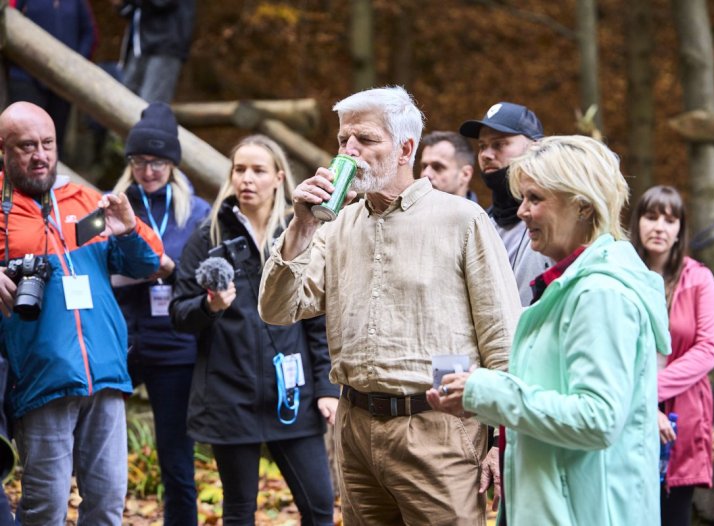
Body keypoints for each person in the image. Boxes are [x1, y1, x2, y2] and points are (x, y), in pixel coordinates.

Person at [259, 86, 520, 525]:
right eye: (344, 140)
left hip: (438, 430)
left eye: (365, 139)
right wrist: (301, 225)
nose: (350, 150)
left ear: (405, 148)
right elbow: (277, 310)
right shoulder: (336, 224)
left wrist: (503, 441)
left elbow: (502, 338)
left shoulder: (462, 219)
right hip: (356, 426)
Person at [427, 135, 671, 526]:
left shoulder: (600, 294)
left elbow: (597, 419)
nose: (521, 212)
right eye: (523, 198)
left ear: (582, 207)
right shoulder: (567, 286)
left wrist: (486, 391)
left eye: (535, 199)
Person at [0, 102, 163, 524]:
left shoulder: (84, 198)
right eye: (26, 146)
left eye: (47, 143)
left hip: (105, 374)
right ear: (3, 151)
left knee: (108, 504)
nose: (40, 154)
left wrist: (129, 230)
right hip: (41, 379)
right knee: (45, 508)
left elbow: (147, 264)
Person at [170, 134, 337, 525]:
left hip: (292, 394)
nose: (246, 178)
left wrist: (327, 388)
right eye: (239, 169)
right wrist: (208, 306)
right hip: (231, 396)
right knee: (239, 510)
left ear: (279, 178)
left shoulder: (299, 235)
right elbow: (179, 313)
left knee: (320, 505)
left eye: (257, 170)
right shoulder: (208, 235)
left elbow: (316, 318)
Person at [112, 102, 211, 526]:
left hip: (176, 347)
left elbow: (203, 278)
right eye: (139, 161)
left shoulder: (198, 211)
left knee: (176, 459)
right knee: (98, 447)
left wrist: (167, 269)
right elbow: (99, 265)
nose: (148, 171)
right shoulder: (115, 205)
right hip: (126, 343)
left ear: (172, 162)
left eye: (157, 162)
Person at [630, 185, 714, 526]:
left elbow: (707, 350)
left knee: (673, 513)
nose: (659, 227)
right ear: (637, 222)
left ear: (680, 228)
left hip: (682, 414)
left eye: (669, 220)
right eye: (651, 217)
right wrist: (640, 402)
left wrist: (650, 391)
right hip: (627, 409)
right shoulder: (623, 276)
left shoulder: (699, 279)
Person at [459, 101, 553, 306]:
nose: (486, 154)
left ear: (535, 146)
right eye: (482, 146)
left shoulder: (555, 224)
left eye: (499, 144)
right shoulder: (481, 225)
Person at [7, 0, 97, 157]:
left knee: (55, 135)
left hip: (62, 81)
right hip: (25, 76)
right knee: (25, 134)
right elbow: (8, 23)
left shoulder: (78, 2)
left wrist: (75, 64)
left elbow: (89, 33)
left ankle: (52, 178)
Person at [114, 0, 196, 103]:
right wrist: (122, 5)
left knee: (150, 105)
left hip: (166, 46)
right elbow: (136, 11)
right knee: (125, 101)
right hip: (141, 45)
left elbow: (161, 3)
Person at [419, 130, 477, 201]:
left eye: (437, 167)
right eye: (424, 166)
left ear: (465, 174)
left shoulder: (479, 212)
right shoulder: (412, 211)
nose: (426, 174)